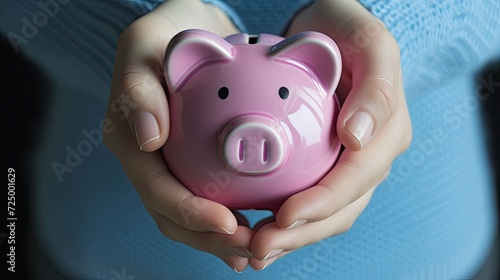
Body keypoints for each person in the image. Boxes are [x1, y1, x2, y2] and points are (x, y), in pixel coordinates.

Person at [0, 0, 498, 279]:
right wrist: (128, 37)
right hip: (107, 254)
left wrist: (391, 36)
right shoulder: (182, 67)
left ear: (318, 68)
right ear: (187, 65)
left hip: (419, 252)